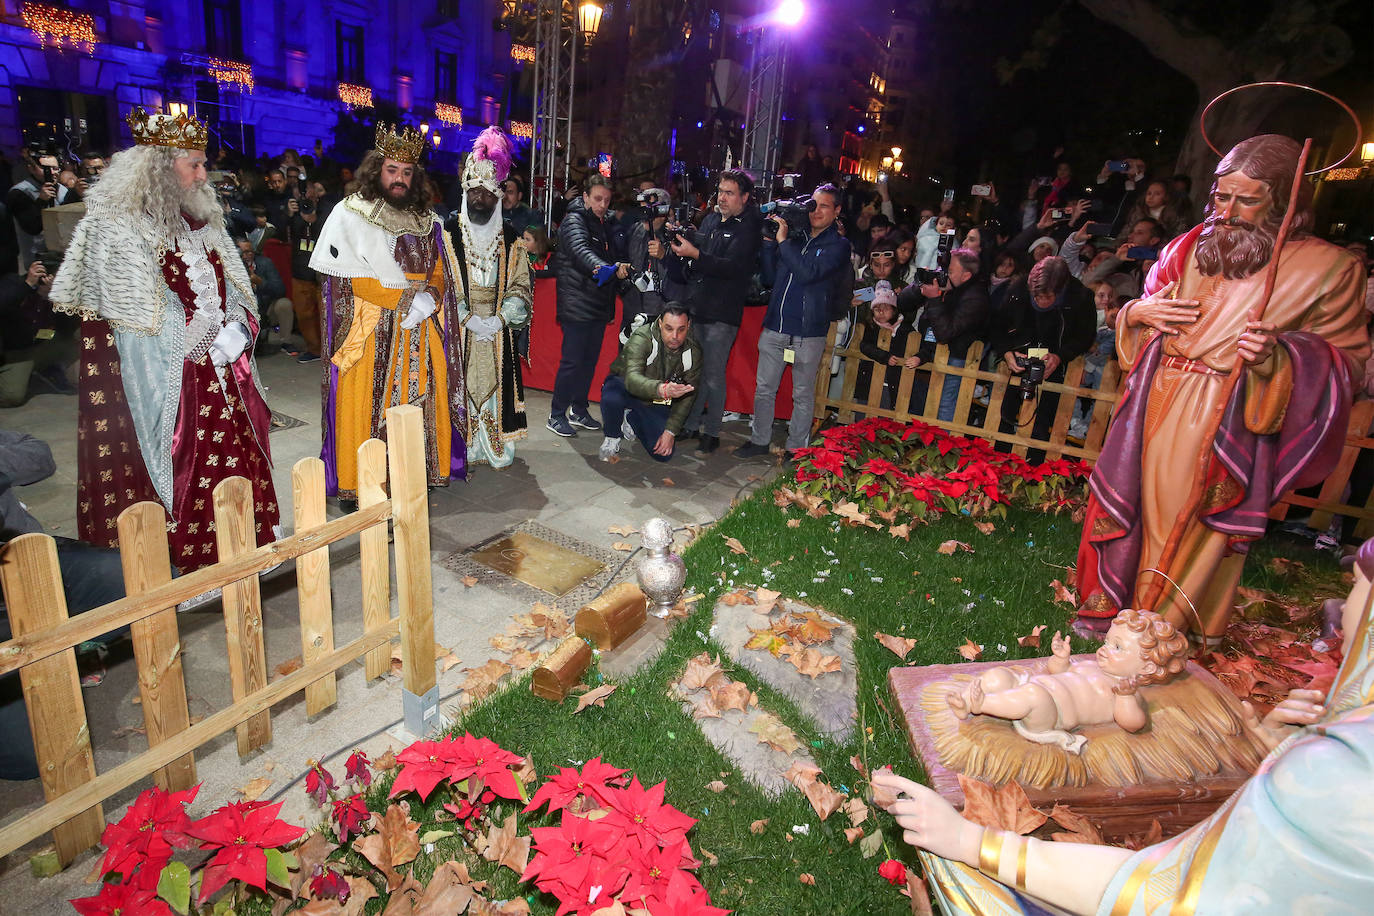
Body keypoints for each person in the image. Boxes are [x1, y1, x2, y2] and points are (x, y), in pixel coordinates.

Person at [874, 534, 1374, 916]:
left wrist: (967, 842)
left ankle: (987, 703)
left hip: (1054, 711)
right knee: (1011, 677)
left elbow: (1167, 892)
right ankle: (980, 697)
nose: (1343, 603)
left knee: (1027, 699)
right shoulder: (1100, 665)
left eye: (1353, 587)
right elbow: (1058, 671)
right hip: (1054, 689)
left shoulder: (1346, 778)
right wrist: (1275, 751)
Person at [1074, 134, 1369, 641]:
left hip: (1234, 406)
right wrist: (1136, 313)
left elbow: (1351, 364)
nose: (1227, 211)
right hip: (1158, 395)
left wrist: (1281, 357)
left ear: (1285, 202)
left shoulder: (1331, 269)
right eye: (1221, 196)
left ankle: (1161, 627)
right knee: (1141, 505)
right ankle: (1133, 612)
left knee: (1192, 520)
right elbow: (1148, 307)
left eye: (1247, 199)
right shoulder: (1186, 246)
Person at [48, 108, 280, 569]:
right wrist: (197, 338)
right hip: (170, 382)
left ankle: (241, 553)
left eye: (202, 163)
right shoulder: (115, 225)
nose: (201, 174)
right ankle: (188, 565)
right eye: (193, 163)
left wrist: (236, 326)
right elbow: (133, 317)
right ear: (158, 167)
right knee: (193, 468)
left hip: (221, 373)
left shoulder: (202, 220)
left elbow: (235, 286)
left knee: (235, 465)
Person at [310, 123, 467, 500]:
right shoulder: (352, 213)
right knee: (365, 406)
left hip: (419, 329)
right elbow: (350, 278)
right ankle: (364, 486)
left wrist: (430, 294)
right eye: (392, 169)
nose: (399, 178)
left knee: (422, 403)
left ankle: (412, 480)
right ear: (377, 168)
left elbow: (440, 271)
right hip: (372, 326)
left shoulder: (426, 219)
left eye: (407, 172)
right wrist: (404, 301)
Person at [1, 431, 129, 781]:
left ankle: (71, 648)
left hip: (27, 558)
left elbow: (39, 454)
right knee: (32, 757)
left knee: (142, 577)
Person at [945, 609, 1189, 753]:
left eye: (1117, 647)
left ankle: (981, 705)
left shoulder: (1126, 692)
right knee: (1000, 676)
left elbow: (1134, 723)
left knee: (1033, 696)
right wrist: (1061, 659)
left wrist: (1125, 697)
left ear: (1145, 666)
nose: (1104, 649)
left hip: (1049, 715)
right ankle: (965, 701)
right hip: (1034, 686)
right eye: (1106, 642)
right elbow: (1056, 673)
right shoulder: (1090, 665)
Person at [735, 183, 852, 460]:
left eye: (824, 206)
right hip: (776, 325)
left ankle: (796, 448)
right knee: (764, 388)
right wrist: (767, 245)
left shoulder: (839, 246)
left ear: (837, 211)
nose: (816, 211)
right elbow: (769, 278)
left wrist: (783, 242)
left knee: (802, 393)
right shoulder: (795, 238)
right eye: (813, 204)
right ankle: (759, 439)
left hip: (808, 332)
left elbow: (808, 274)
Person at [656, 169, 762, 454]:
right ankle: (690, 425)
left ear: (744, 197)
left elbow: (732, 267)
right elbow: (702, 249)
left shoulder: (750, 227)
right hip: (699, 306)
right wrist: (683, 240)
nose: (723, 197)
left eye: (730, 193)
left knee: (714, 375)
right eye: (721, 191)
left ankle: (712, 431)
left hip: (722, 312)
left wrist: (696, 254)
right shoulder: (713, 219)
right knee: (694, 372)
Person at [450, 128, 533, 470]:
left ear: (498, 197)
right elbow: (440, 285)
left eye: (488, 193)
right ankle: (462, 446)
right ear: (465, 192)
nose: (480, 199)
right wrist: (466, 317)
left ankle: (493, 446)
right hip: (460, 328)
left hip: (497, 329)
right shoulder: (447, 234)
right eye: (475, 192)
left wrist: (500, 319)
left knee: (497, 384)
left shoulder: (511, 239)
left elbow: (521, 285)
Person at [548, 175, 628, 438]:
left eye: (606, 199)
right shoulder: (575, 220)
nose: (602, 204)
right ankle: (556, 415)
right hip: (577, 302)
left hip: (596, 303)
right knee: (572, 362)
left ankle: (579, 410)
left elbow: (610, 255)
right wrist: (605, 268)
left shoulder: (603, 224)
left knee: (588, 362)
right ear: (584, 197)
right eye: (597, 198)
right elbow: (582, 252)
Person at [991, 255, 1097, 450]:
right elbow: (996, 325)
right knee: (1005, 417)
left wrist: (1060, 356)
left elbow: (1085, 337)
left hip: (1054, 367)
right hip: (1019, 362)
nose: (1040, 301)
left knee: (1043, 422)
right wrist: (1006, 351)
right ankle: (998, 459)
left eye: (1047, 297)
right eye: (1036, 296)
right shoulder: (1018, 288)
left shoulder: (1081, 297)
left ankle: (1033, 470)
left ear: (1061, 289)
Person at [597, 305, 701, 463]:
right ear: (660, 323)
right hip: (626, 387)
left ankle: (632, 419)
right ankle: (612, 437)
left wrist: (670, 432)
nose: (675, 336)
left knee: (663, 454)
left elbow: (688, 396)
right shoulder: (643, 337)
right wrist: (661, 389)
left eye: (681, 329)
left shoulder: (693, 351)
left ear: (688, 325)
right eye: (668, 328)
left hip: (657, 400)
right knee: (612, 397)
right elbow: (632, 379)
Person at [899, 247, 989, 421]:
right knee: (922, 403)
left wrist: (934, 299)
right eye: (945, 268)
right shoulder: (949, 284)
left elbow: (945, 333)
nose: (945, 273)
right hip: (930, 353)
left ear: (966, 276)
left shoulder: (975, 298)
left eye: (951, 270)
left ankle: (943, 445)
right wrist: (919, 287)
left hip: (958, 358)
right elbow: (902, 304)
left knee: (945, 406)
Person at [282, 179, 333, 363]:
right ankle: (314, 349)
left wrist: (314, 218)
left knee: (326, 314)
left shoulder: (328, 210)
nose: (306, 198)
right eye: (301, 194)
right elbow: (280, 232)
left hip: (323, 272)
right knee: (305, 314)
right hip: (301, 272)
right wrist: (289, 214)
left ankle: (330, 349)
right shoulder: (293, 213)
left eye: (311, 193)